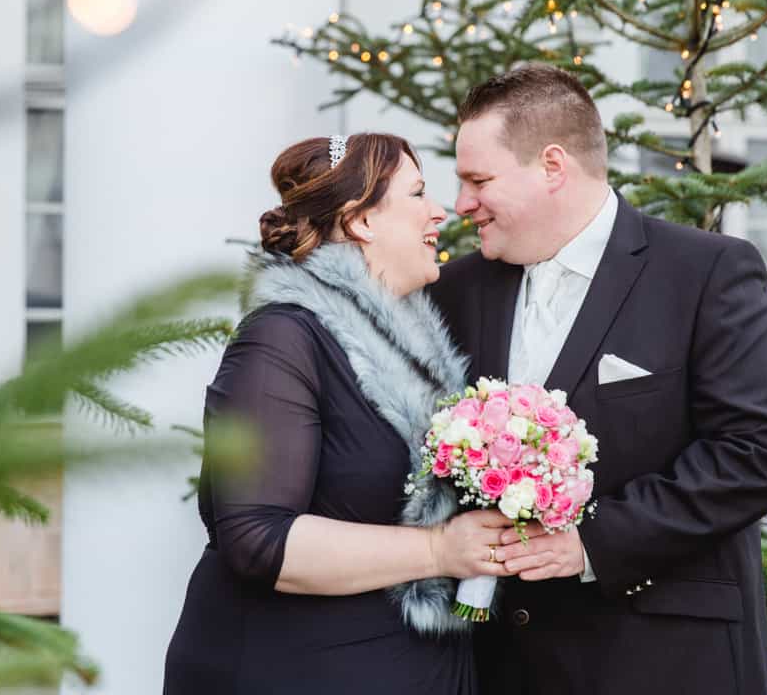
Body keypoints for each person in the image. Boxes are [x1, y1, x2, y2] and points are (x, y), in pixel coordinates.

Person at [427, 64, 767, 695]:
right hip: (500, 667)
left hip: (664, 661)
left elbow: (759, 454)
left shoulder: (705, 272)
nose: (461, 203)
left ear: (552, 166)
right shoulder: (459, 291)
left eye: (478, 180)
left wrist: (590, 542)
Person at [164, 133, 512, 695]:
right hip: (294, 670)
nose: (439, 212)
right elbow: (255, 536)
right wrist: (438, 549)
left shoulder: (417, 347)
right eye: (418, 193)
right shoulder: (282, 337)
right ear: (361, 222)